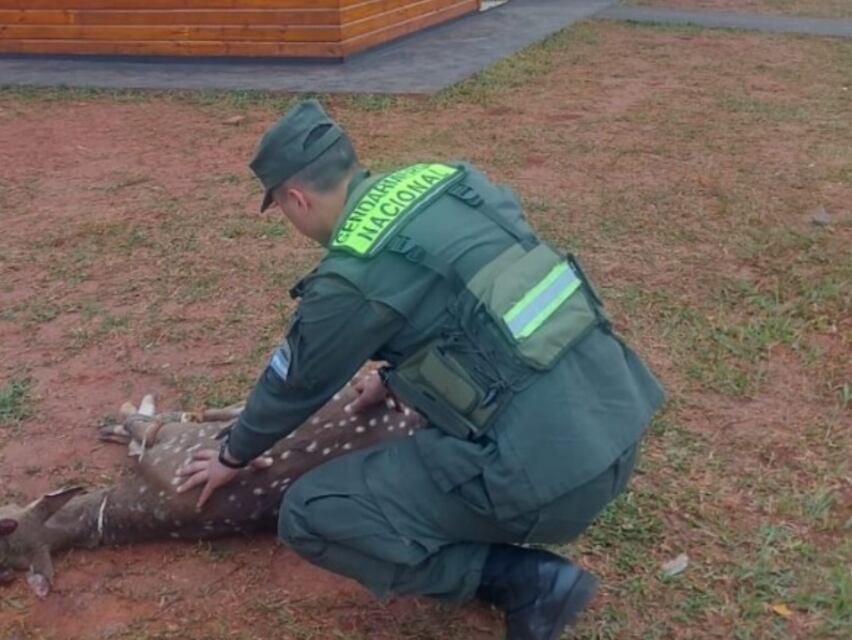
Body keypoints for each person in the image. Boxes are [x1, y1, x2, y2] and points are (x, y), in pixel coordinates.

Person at [174, 99, 665, 640]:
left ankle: (524, 581)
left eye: (283, 210)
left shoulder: (349, 275)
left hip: (554, 486)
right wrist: (392, 375)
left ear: (295, 198)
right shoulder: (451, 179)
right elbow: (488, 289)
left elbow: (296, 383)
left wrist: (231, 454)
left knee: (309, 514)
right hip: (619, 423)